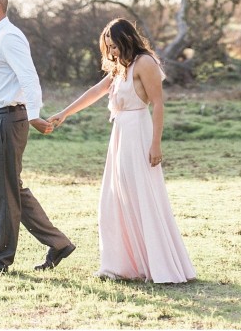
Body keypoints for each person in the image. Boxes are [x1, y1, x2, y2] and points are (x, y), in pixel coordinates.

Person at [49, 17, 196, 284]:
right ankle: (122, 265)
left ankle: (158, 265)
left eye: (115, 46)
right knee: (116, 198)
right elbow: (95, 91)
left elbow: (159, 104)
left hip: (139, 133)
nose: (112, 52)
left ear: (127, 40)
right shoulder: (120, 68)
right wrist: (64, 114)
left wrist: (156, 144)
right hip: (120, 135)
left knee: (143, 197)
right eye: (109, 48)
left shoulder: (145, 63)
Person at [0, 0, 75, 276]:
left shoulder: (9, 37)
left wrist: (34, 115)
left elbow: (28, 78)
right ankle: (59, 243)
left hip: (7, 121)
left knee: (4, 191)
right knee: (12, 188)